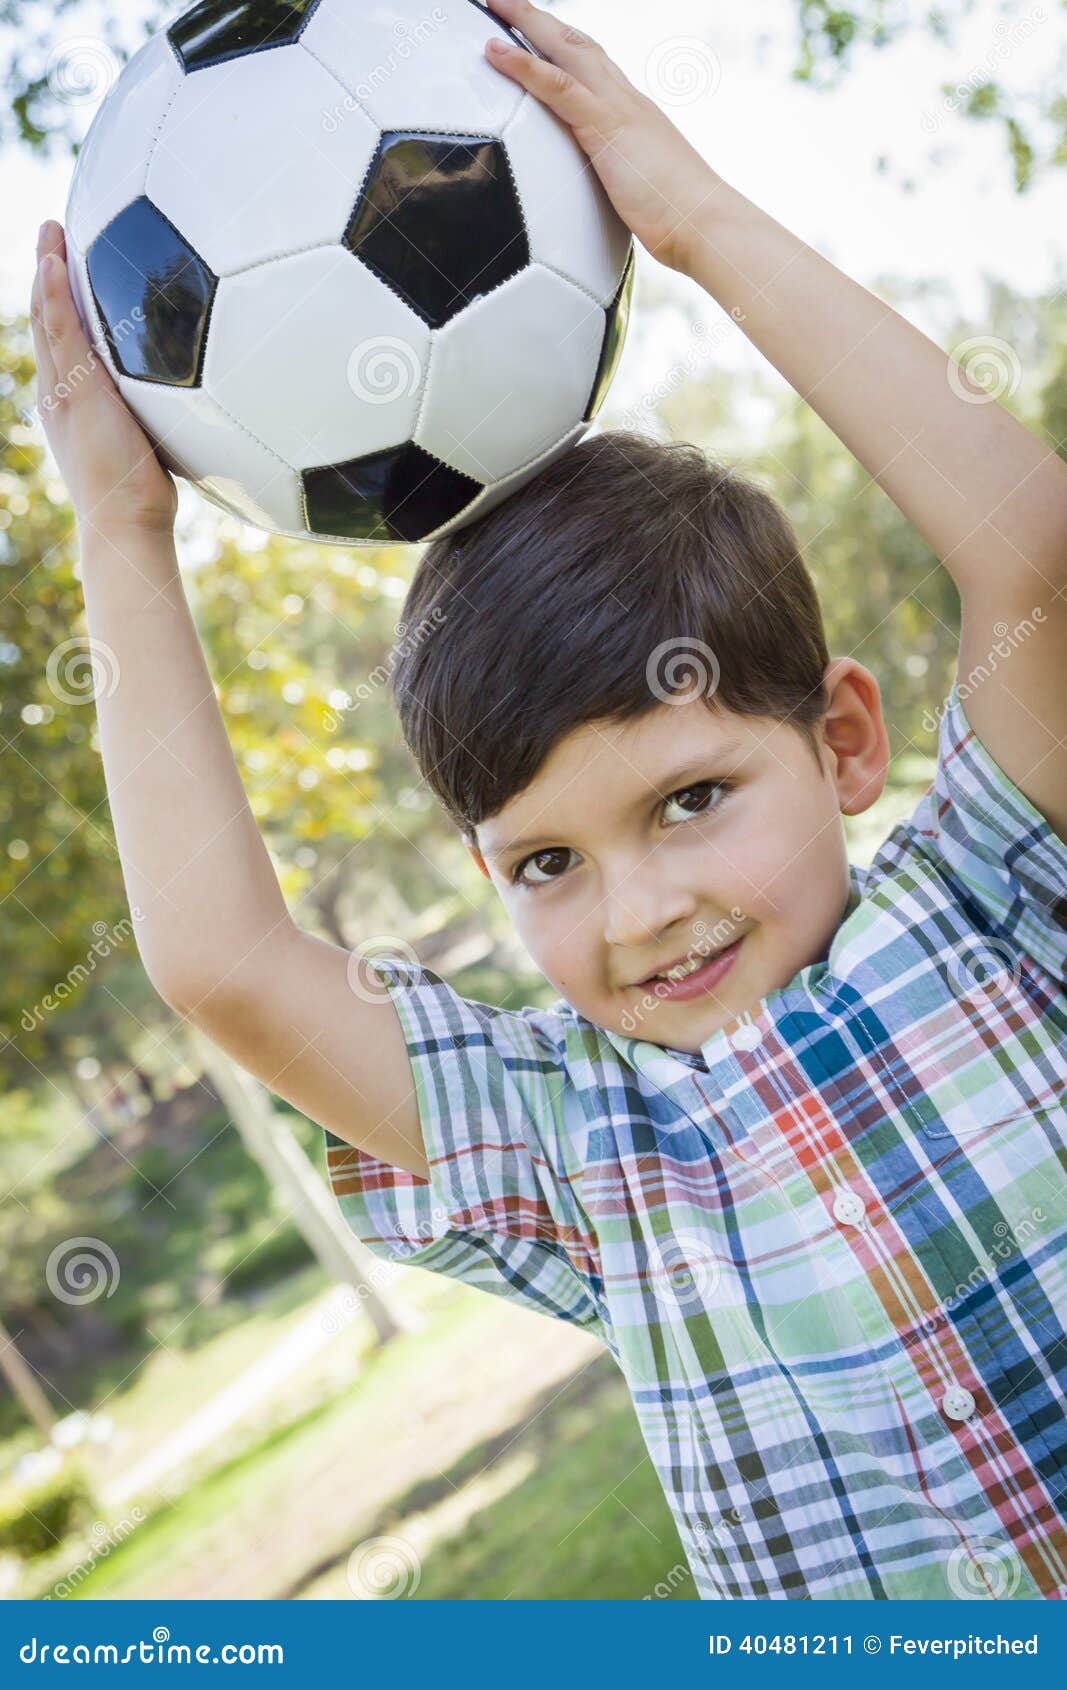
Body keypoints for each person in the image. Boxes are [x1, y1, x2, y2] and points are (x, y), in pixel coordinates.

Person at [30, 0, 1066, 1602]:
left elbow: (1037, 563)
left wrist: (700, 221)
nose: (639, 911)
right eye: (545, 864)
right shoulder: (578, 1148)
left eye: (693, 796)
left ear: (846, 739)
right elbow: (225, 964)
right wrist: (121, 531)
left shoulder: (995, 907)